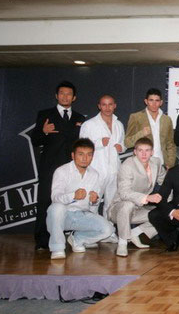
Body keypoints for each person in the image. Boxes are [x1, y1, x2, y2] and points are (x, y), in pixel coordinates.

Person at [31, 81, 86, 250]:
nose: (65, 96)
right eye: (62, 93)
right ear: (56, 95)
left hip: (71, 169)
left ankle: (64, 238)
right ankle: (42, 241)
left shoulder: (79, 118)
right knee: (45, 202)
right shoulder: (45, 114)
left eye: (68, 94)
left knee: (68, 204)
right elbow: (35, 140)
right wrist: (44, 131)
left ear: (74, 97)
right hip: (50, 167)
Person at [46, 139, 115, 259]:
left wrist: (94, 200)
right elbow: (55, 198)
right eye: (81, 154)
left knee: (108, 229)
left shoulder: (94, 174)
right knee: (57, 208)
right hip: (63, 216)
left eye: (89, 154)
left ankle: (78, 239)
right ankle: (57, 248)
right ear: (73, 155)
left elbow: (93, 206)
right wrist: (73, 195)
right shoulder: (62, 171)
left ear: (92, 157)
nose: (85, 158)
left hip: (82, 215)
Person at [106, 138, 166, 257]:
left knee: (165, 213)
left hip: (139, 209)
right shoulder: (127, 165)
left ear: (152, 152)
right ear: (135, 152)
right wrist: (148, 197)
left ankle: (135, 233)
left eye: (147, 150)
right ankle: (122, 243)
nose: (144, 154)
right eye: (140, 150)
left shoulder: (156, 163)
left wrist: (172, 200)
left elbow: (164, 181)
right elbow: (124, 193)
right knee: (128, 204)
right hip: (119, 209)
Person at [79, 95, 125, 211]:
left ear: (114, 106)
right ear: (99, 106)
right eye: (104, 104)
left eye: (110, 104)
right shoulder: (89, 124)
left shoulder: (118, 124)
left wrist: (122, 148)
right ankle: (90, 228)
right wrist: (99, 143)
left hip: (114, 170)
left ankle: (109, 228)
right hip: (96, 170)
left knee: (111, 205)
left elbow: (123, 144)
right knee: (92, 203)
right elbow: (82, 148)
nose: (107, 107)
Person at [125, 88, 177, 169]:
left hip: (162, 164)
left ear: (161, 102)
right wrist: (141, 133)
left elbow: (170, 144)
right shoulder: (136, 117)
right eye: (151, 100)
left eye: (157, 100)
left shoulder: (167, 120)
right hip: (141, 165)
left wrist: (170, 163)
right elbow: (127, 143)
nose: (154, 103)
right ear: (146, 101)